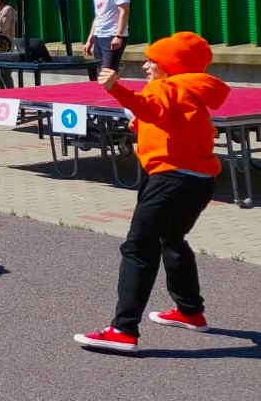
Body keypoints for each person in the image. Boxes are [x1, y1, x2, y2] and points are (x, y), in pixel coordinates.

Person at [75, 31, 228, 354]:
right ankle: (190, 311)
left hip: (169, 179)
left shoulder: (166, 86)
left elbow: (152, 109)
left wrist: (116, 88)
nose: (145, 66)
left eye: (152, 61)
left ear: (170, 65)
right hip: (199, 181)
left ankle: (123, 329)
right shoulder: (190, 91)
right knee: (172, 239)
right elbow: (171, 121)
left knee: (138, 249)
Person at [85, 0, 132, 76]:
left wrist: (118, 35)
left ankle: (116, 94)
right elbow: (98, 17)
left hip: (112, 36)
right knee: (101, 72)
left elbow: (124, 11)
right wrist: (90, 40)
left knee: (109, 73)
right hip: (99, 36)